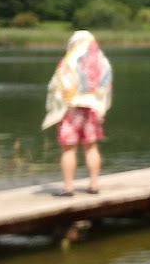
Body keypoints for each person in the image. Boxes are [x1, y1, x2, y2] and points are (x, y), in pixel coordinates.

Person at [42, 30, 112, 197]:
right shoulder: (102, 61)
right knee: (91, 147)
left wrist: (56, 108)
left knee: (68, 149)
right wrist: (101, 108)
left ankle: (68, 187)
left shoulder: (69, 61)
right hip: (93, 108)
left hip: (71, 109)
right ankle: (94, 185)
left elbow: (57, 85)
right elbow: (106, 88)